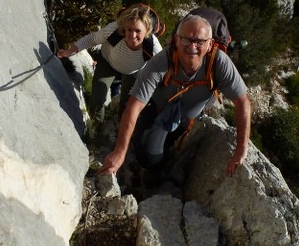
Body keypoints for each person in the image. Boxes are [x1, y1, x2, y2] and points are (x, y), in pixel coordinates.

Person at [99, 14, 251, 177]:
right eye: (186, 39)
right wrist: (120, 152)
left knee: (170, 139)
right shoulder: (161, 62)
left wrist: (241, 148)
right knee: (147, 157)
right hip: (157, 110)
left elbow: (242, 102)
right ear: (177, 40)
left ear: (210, 44)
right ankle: (155, 161)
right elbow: (134, 106)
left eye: (200, 41)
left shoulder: (219, 63)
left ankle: (166, 150)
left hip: (186, 117)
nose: (192, 46)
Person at [56, 5, 163, 122]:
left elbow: (164, 68)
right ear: (124, 28)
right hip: (107, 62)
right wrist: (68, 52)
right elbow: (92, 39)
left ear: (147, 30)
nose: (133, 35)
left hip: (134, 71)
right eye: (129, 30)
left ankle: (120, 125)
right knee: (98, 97)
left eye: (138, 31)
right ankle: (96, 128)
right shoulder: (114, 30)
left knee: (128, 104)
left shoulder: (153, 46)